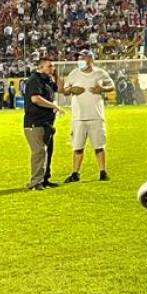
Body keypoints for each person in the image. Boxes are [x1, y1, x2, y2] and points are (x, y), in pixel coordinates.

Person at [62, 49, 115, 183]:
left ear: (90, 59)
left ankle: (103, 172)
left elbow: (112, 86)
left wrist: (102, 89)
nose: (80, 60)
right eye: (79, 58)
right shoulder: (74, 74)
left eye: (83, 58)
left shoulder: (100, 73)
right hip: (78, 117)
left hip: (96, 115)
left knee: (99, 146)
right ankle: (75, 173)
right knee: (77, 146)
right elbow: (65, 90)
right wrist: (71, 90)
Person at [23, 58, 63, 191]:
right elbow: (35, 99)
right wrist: (54, 106)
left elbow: (60, 89)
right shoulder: (34, 80)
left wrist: (56, 75)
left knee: (47, 152)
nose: (52, 68)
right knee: (39, 151)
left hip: (46, 122)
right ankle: (36, 182)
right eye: (49, 66)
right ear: (41, 67)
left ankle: (45, 179)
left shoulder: (48, 80)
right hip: (35, 122)